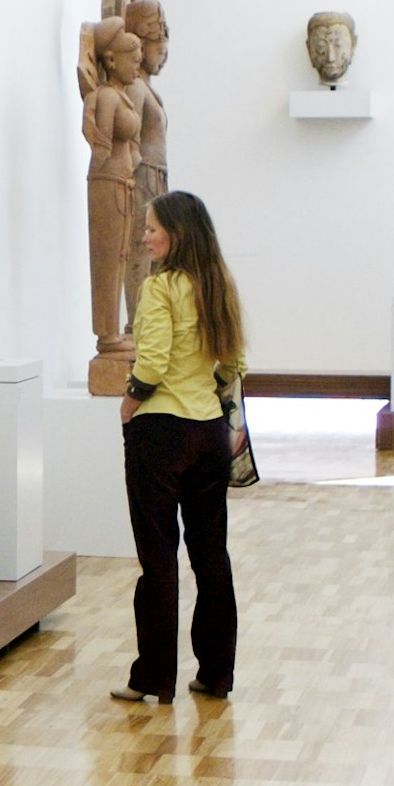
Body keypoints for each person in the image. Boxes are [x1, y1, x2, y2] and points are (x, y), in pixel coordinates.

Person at [115, 190, 245, 705]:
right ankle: (215, 673)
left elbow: (153, 359)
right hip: (209, 430)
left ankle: (153, 677)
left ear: (177, 234)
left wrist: (131, 400)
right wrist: (218, 404)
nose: (145, 236)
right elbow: (233, 363)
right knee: (211, 555)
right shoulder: (218, 282)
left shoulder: (161, 286)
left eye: (152, 229)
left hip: (160, 432)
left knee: (158, 558)